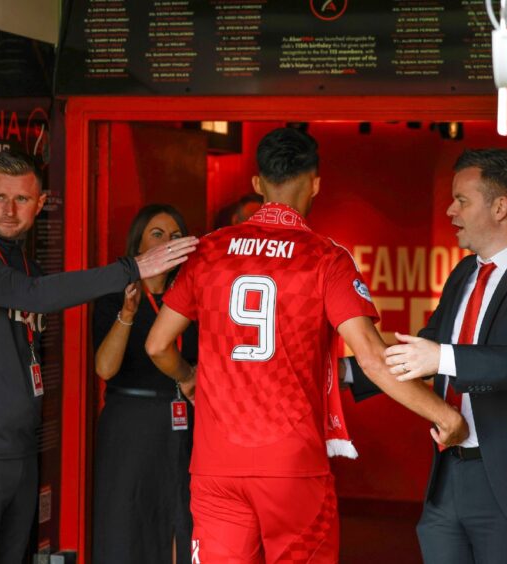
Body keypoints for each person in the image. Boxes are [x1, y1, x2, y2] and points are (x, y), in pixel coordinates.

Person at [145, 127, 467, 563]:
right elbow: (371, 359)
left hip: (216, 465)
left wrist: (189, 378)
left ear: (258, 185)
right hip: (291, 467)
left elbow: (158, 344)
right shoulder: (324, 258)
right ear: (315, 183)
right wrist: (443, 415)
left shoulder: (210, 251)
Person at [0, 151, 197, 564]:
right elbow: (35, 296)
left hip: (17, 447)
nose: (10, 211)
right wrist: (132, 268)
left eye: (22, 200)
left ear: (40, 202)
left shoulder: (23, 263)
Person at [348, 148, 507, 564]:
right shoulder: (462, 273)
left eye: (462, 200)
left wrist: (443, 358)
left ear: (500, 206)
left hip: (505, 482)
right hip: (447, 475)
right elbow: (420, 352)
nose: (449, 211)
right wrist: (345, 372)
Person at [91, 204, 198, 564]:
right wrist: (128, 314)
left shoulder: (192, 296)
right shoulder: (115, 292)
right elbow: (105, 369)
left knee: (183, 519)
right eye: (158, 234)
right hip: (130, 423)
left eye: (176, 236)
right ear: (138, 242)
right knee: (126, 522)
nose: (168, 242)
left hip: (183, 421)